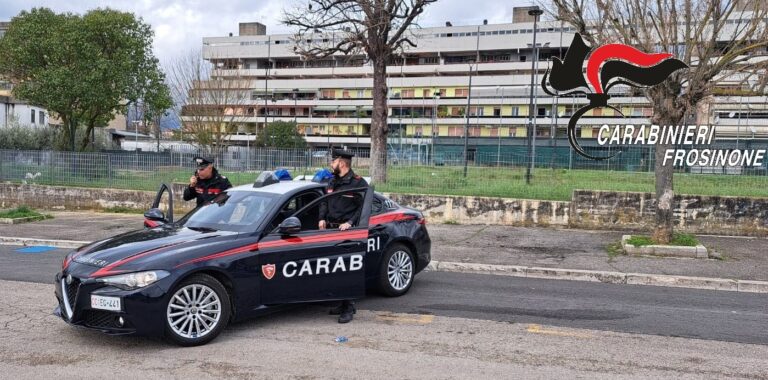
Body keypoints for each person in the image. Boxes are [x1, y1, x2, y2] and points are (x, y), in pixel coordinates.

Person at [318, 148, 368, 323]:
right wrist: (321, 218)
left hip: (348, 232)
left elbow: (363, 208)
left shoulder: (358, 183)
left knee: (346, 270)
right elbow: (325, 201)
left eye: (333, 161)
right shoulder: (332, 181)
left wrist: (351, 223)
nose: (331, 164)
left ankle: (348, 307)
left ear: (342, 163)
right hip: (331, 231)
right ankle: (342, 303)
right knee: (334, 270)